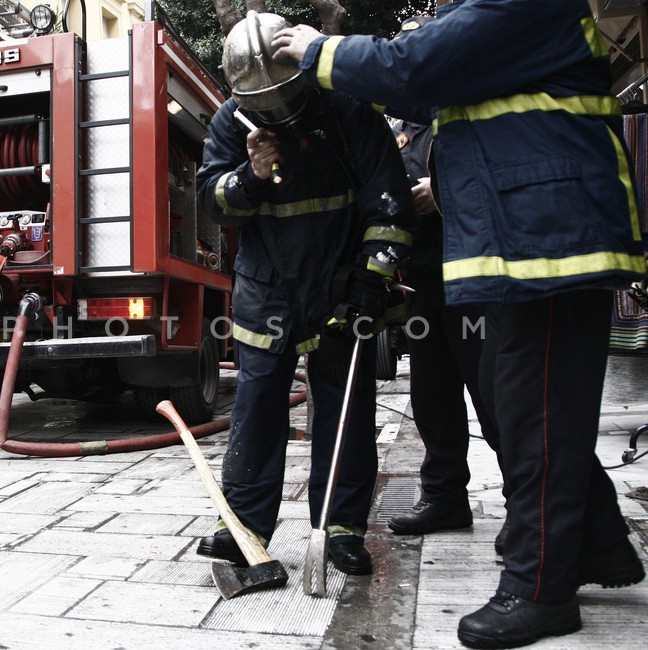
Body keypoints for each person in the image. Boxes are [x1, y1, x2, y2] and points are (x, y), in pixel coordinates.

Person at [272, 0, 647, 646]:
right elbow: (438, 94)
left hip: (549, 242)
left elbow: (414, 66)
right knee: (529, 412)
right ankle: (601, 544)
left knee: (537, 424)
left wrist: (314, 49)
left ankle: (538, 588)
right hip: (529, 239)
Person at [194, 11, 415, 576]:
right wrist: (247, 176)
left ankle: (340, 529)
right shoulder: (229, 122)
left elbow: (387, 198)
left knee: (345, 406)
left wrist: (373, 276)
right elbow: (208, 204)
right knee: (257, 406)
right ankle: (242, 527)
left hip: (340, 281)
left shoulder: (345, 109)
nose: (273, 111)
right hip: (266, 288)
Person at [385, 15, 506, 549]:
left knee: (496, 392)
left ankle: (526, 502)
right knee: (432, 392)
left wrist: (444, 190)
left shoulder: (463, 102)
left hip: (474, 275)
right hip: (421, 278)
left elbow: (495, 168)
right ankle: (445, 497)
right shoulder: (396, 120)